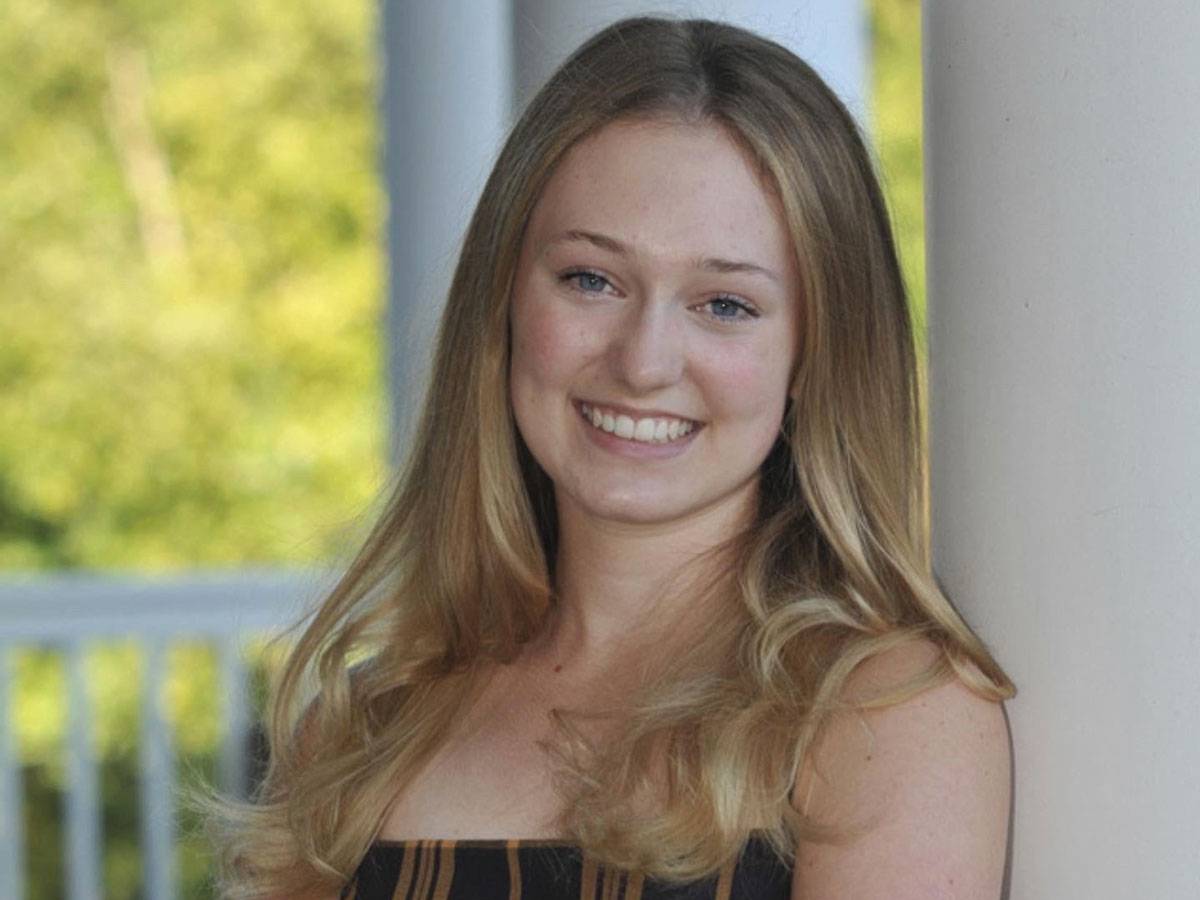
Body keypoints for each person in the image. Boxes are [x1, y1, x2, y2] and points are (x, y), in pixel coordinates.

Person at [208, 15, 1015, 900]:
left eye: (725, 304)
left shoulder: (880, 710)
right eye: (592, 280)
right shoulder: (359, 730)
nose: (643, 361)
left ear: (814, 357)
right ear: (504, 300)